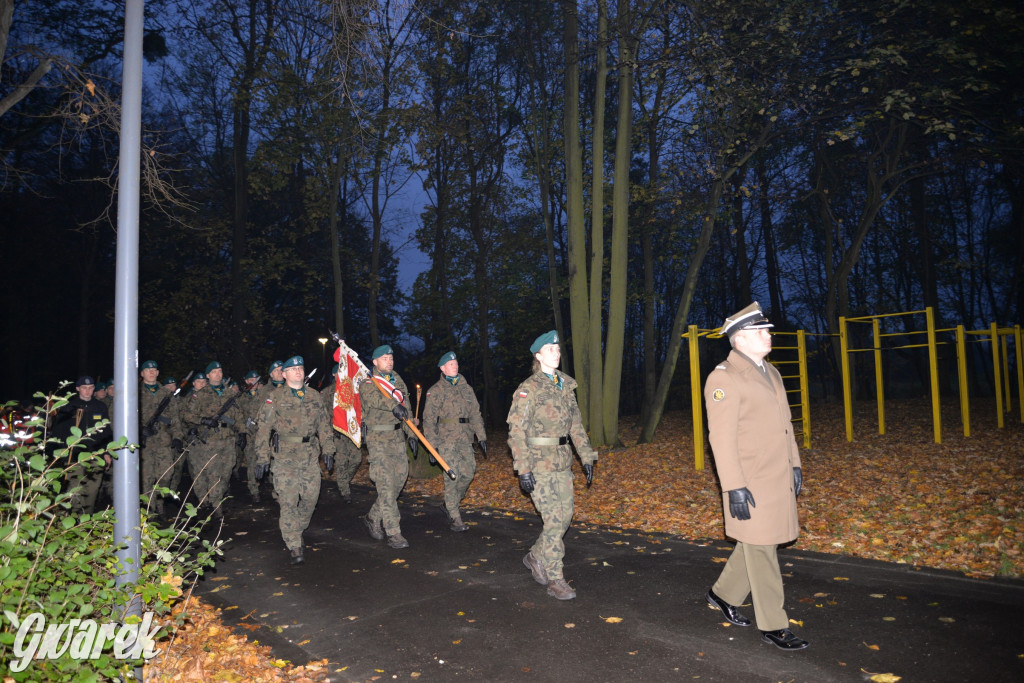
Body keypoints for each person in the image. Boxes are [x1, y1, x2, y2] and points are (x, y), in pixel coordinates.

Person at [703, 302, 808, 651]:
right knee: (763, 549)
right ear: (740, 338)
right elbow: (720, 437)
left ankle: (722, 594)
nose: (769, 335)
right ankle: (774, 625)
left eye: (767, 330)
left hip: (776, 474)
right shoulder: (723, 377)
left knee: (761, 541)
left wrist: (794, 462)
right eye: (762, 331)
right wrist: (732, 486)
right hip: (749, 481)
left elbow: (785, 424)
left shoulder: (772, 371)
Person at [506, 330, 597, 601]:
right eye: (549, 350)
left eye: (557, 350)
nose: (555, 354)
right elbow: (516, 430)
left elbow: (576, 425)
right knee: (555, 520)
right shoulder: (528, 388)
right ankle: (556, 578)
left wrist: (587, 456)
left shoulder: (566, 385)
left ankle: (535, 555)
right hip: (537, 462)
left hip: (562, 460)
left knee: (564, 518)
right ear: (538, 355)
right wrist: (522, 468)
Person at [253, 356, 335, 564]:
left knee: (310, 498)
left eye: (300, 368)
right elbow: (263, 429)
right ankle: (294, 545)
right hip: (285, 457)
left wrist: (329, 449)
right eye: (293, 369)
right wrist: (262, 457)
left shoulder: (314, 396)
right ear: (284, 374)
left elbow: (324, 424)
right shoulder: (275, 397)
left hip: (309, 455)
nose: (298, 371)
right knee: (288, 501)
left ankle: (296, 528)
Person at [359, 344, 416, 549]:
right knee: (385, 484)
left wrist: (411, 434)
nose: (389, 361)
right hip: (378, 438)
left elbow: (406, 406)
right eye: (384, 358)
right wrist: (394, 406)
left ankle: (372, 516)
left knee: (399, 481)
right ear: (375, 362)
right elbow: (375, 399)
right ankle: (394, 532)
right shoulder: (368, 381)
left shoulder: (397, 380)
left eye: (391, 358)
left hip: (397, 437)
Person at [422, 351, 486, 532]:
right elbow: (428, 419)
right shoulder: (435, 391)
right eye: (451, 364)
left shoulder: (467, 388)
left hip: (465, 438)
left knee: (468, 473)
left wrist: (481, 436)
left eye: (456, 363)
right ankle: (454, 515)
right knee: (452, 476)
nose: (455, 366)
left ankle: (450, 503)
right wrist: (432, 446)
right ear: (443, 368)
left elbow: (475, 413)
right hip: (446, 439)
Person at [181, 361, 243, 517]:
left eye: (220, 371)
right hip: (210, 440)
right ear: (208, 375)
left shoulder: (230, 394)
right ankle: (216, 505)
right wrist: (203, 420)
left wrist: (242, 432)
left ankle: (216, 499)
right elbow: (187, 415)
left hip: (228, 438)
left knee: (227, 471)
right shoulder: (200, 395)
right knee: (214, 473)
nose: (218, 374)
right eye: (214, 372)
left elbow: (239, 415)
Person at [51, 376, 112, 514]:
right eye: (84, 388)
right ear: (78, 389)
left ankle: (86, 518)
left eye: (90, 388)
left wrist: (106, 452)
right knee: (76, 487)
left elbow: (106, 432)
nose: (87, 391)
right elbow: (58, 432)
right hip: (75, 456)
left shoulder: (100, 406)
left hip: (96, 454)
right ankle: (74, 517)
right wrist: (64, 452)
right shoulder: (69, 407)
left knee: (92, 489)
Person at [139, 360, 183, 516]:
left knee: (166, 475)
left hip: (164, 440)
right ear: (142, 373)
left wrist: (178, 437)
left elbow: (175, 418)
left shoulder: (166, 393)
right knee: (146, 478)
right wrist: (139, 432)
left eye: (154, 370)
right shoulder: (135, 391)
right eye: (147, 370)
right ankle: (148, 513)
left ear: (157, 373)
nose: (151, 372)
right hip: (143, 443)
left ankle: (159, 501)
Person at [320, 364, 364, 503]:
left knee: (356, 459)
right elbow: (323, 416)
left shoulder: (351, 389)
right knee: (341, 462)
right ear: (333, 375)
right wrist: (331, 430)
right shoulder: (327, 393)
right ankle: (345, 491)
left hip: (351, 431)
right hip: (336, 433)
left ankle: (344, 480)